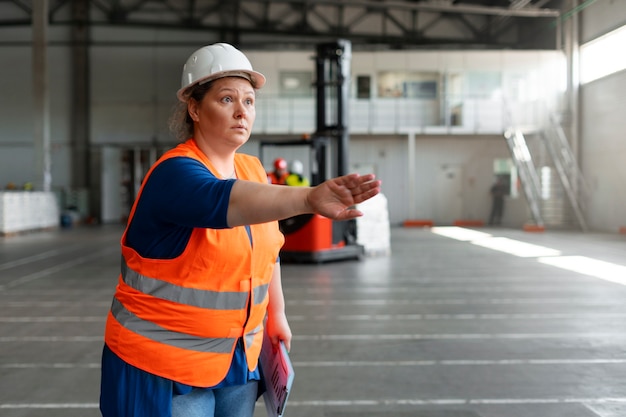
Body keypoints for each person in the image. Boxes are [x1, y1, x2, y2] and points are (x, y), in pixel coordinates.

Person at [99, 42, 380, 417]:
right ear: (195, 109)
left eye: (249, 101)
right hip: (167, 364)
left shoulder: (252, 170)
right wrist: (310, 198)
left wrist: (276, 314)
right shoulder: (174, 174)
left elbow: (269, 251)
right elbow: (224, 201)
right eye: (226, 99)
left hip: (237, 358)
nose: (241, 112)